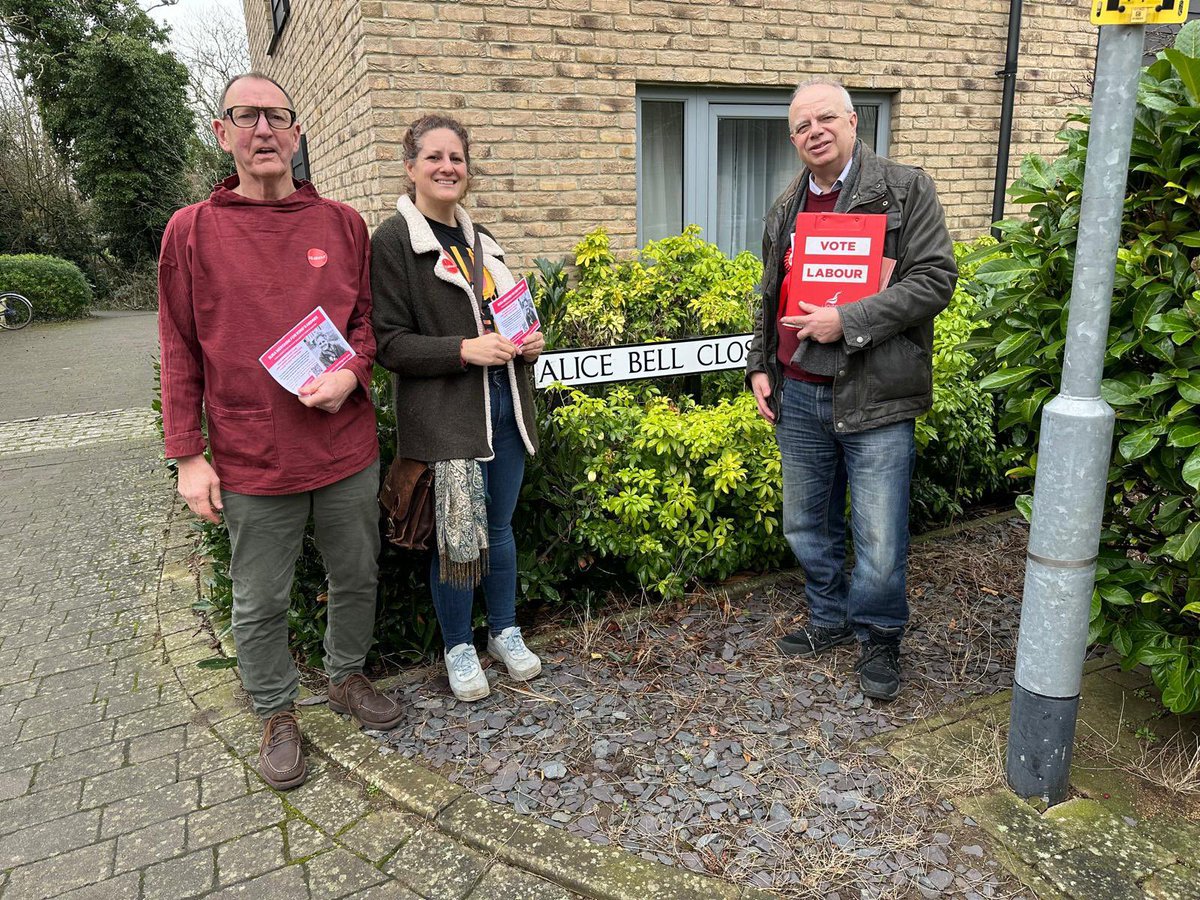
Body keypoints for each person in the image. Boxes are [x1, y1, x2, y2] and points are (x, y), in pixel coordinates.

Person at [158, 73, 403, 790]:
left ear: (297, 135)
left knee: (356, 574)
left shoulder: (343, 224)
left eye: (277, 118)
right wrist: (186, 454)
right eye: (247, 116)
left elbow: (366, 325)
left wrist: (353, 374)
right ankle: (274, 711)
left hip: (344, 446)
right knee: (259, 597)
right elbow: (177, 344)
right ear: (221, 131)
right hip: (249, 456)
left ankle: (345, 676)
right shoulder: (191, 231)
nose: (263, 130)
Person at [746, 77, 957, 701]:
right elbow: (767, 294)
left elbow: (936, 279)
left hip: (874, 392)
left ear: (853, 122)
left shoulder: (906, 189)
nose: (814, 132)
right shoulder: (786, 205)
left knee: (880, 534)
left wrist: (850, 318)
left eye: (825, 119)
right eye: (801, 126)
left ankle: (879, 635)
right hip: (799, 390)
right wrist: (760, 364)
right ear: (793, 140)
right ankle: (829, 617)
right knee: (806, 524)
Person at [370, 115, 544, 702]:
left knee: (497, 529)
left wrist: (528, 338)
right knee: (456, 537)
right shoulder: (394, 242)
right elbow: (388, 342)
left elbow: (504, 316)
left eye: (457, 158)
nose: (448, 167)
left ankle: (504, 631)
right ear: (410, 166)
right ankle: (458, 645)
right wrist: (464, 350)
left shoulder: (482, 240)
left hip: (505, 405)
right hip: (447, 417)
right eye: (434, 157)